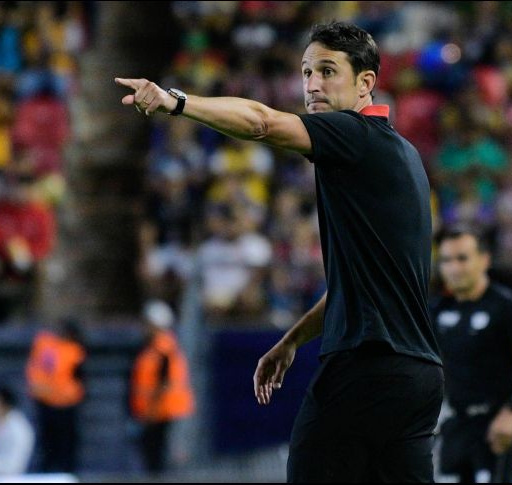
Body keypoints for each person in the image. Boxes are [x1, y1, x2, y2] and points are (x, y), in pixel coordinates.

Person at [116, 21, 443, 482]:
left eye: (327, 71)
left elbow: (262, 122)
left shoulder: (354, 135)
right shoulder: (403, 155)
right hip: (418, 375)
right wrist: (291, 341)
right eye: (307, 72)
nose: (312, 85)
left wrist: (176, 101)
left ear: (365, 82)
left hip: (367, 367)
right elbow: (359, 287)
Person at [431, 228, 512, 483]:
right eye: (446, 260)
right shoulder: (439, 309)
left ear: (484, 260)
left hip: (494, 428)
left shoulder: (504, 307)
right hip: (453, 426)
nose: (454, 268)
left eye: (462, 258)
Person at [129, 300, 194, 474]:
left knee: (160, 460)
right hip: (157, 412)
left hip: (164, 412)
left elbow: (164, 383)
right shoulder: (155, 348)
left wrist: (151, 410)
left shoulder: (164, 349)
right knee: (153, 458)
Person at [25, 318, 85, 473]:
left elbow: (78, 377)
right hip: (47, 402)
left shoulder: (73, 350)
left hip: (65, 404)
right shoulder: (46, 344)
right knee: (49, 446)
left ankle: (64, 473)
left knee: (65, 447)